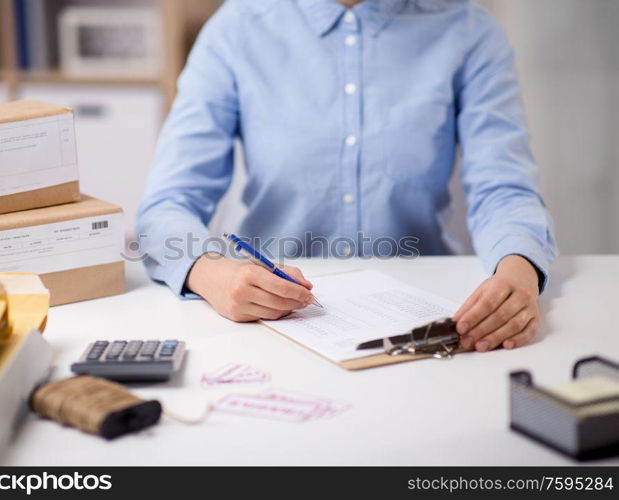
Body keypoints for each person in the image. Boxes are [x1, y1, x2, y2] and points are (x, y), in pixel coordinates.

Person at [136, 0, 557, 353]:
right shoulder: (236, 29)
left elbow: (503, 186)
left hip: (426, 319)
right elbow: (167, 205)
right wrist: (212, 274)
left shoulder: (468, 29)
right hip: (269, 326)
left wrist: (517, 272)